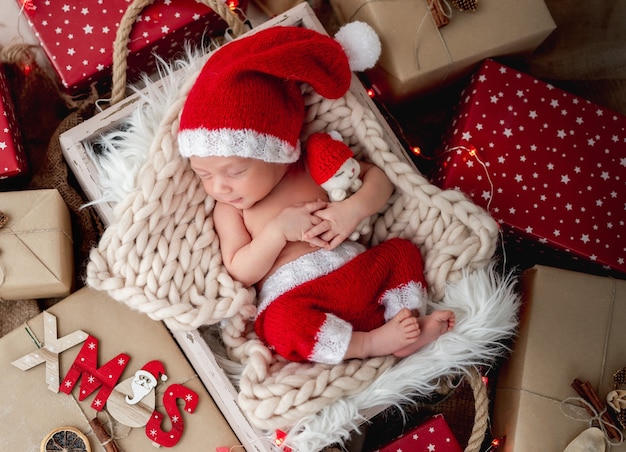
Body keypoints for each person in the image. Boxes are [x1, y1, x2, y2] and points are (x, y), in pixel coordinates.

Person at [177, 24, 455, 365]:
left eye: (235, 172)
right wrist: (277, 231)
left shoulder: (312, 164)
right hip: (300, 299)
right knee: (278, 328)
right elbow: (240, 269)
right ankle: (369, 343)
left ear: (276, 152)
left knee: (401, 253)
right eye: (204, 175)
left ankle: (406, 321)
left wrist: (352, 210)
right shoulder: (230, 210)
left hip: (356, 271)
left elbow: (379, 180)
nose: (219, 186)